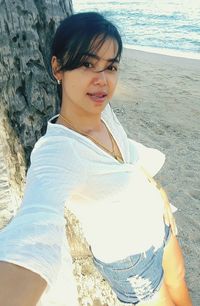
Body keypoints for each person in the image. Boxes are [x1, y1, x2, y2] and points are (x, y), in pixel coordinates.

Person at [0, 12, 193, 306]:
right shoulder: (56, 151)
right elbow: (35, 228)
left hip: (159, 224)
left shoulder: (104, 112)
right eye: (88, 64)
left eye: (111, 66)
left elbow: (128, 155)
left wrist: (157, 190)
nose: (102, 80)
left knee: (179, 281)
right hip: (130, 260)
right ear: (58, 68)